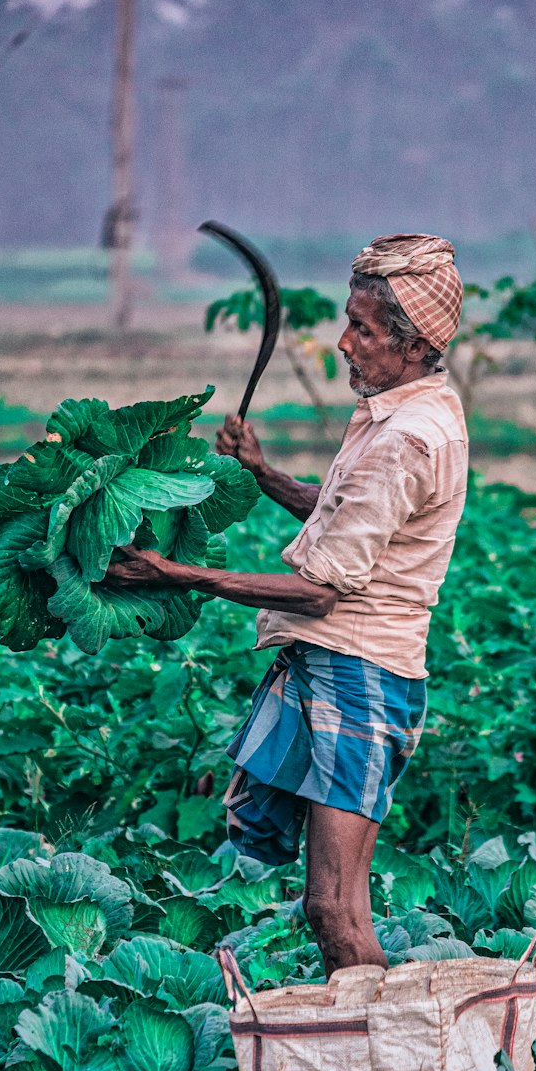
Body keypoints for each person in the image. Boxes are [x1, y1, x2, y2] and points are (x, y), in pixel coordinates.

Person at [106, 233, 468, 976]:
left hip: (361, 676)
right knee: (329, 900)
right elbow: (345, 518)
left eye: (363, 330)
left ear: (411, 345)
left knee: (333, 907)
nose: (344, 343)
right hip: (334, 665)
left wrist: (172, 572)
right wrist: (264, 474)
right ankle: (367, 1043)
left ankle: (382, 1065)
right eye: (350, 320)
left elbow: (322, 587)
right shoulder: (402, 412)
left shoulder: (408, 438)